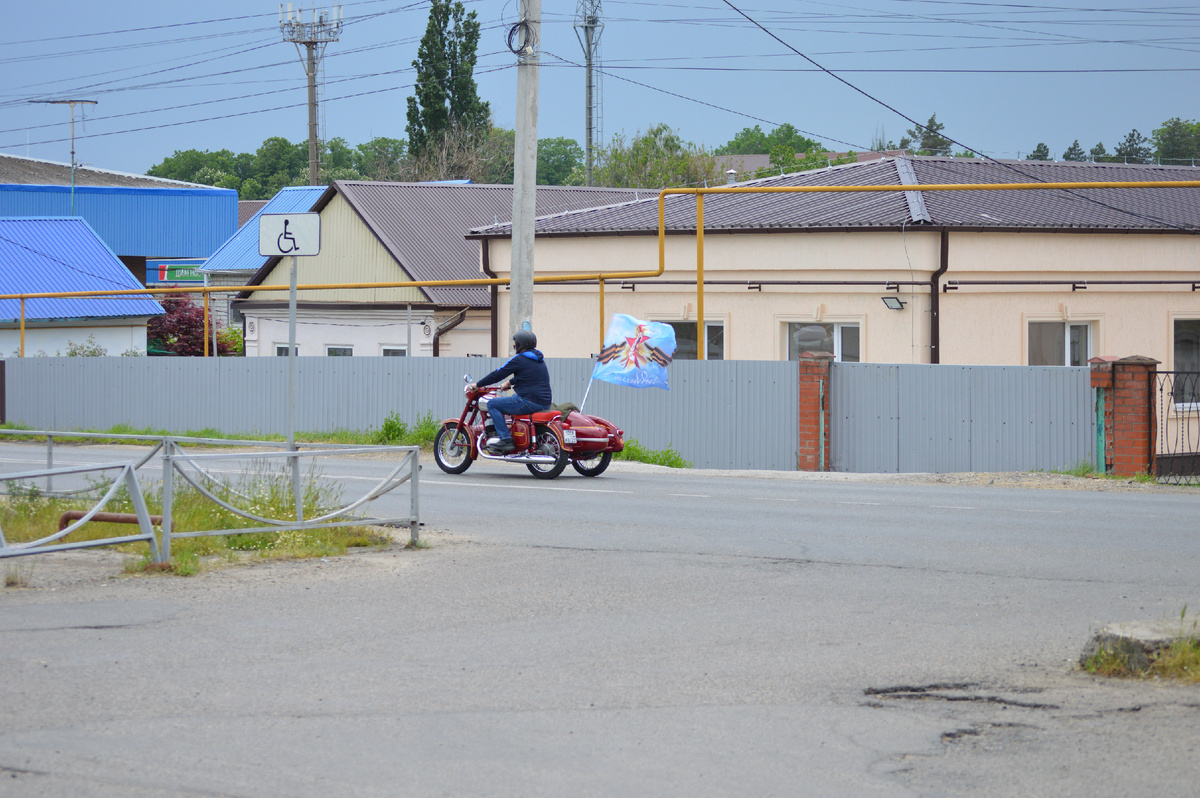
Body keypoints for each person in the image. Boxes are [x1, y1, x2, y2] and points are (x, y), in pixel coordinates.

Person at [471, 329, 552, 454]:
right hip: (545, 402)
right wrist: (509, 383)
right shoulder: (539, 360)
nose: (515, 348)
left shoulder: (519, 359)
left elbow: (498, 374)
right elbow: (526, 375)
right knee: (513, 397)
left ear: (520, 345)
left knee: (492, 404)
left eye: (515, 345)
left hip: (529, 402)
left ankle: (506, 439)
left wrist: (478, 384)